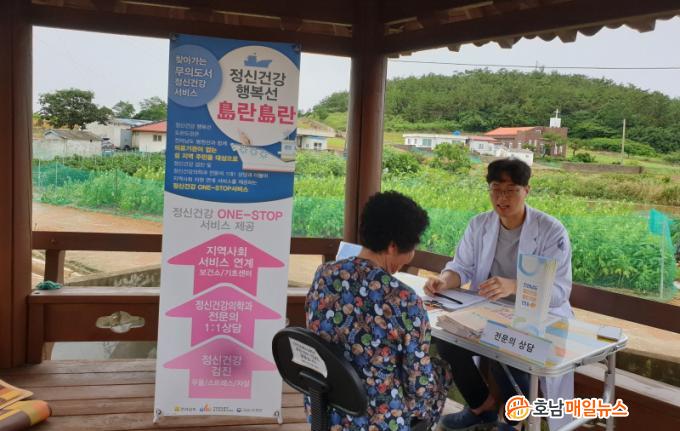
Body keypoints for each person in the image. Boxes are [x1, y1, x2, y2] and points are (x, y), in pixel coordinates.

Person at [424, 158, 573, 431]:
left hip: (536, 317)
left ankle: (514, 422)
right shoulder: (479, 224)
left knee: (506, 354)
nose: (502, 198)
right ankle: (482, 407)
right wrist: (444, 280)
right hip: (487, 310)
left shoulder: (551, 230)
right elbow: (461, 268)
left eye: (511, 190)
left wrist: (515, 286)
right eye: (496, 189)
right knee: (446, 339)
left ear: (526, 190)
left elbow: (559, 291)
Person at [305, 191, 452, 431]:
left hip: (325, 406)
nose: (410, 256)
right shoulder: (404, 300)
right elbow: (419, 385)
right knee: (440, 372)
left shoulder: (324, 274)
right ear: (392, 246)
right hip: (378, 418)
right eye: (411, 248)